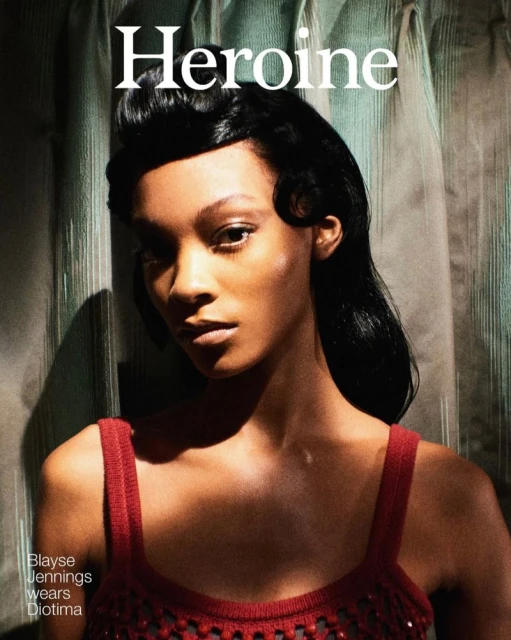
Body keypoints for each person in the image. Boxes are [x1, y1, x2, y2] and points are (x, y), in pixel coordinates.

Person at [34, 47, 511, 640]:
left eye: (231, 234)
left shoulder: (452, 502)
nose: (185, 285)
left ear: (322, 230)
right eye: (158, 250)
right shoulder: (81, 484)